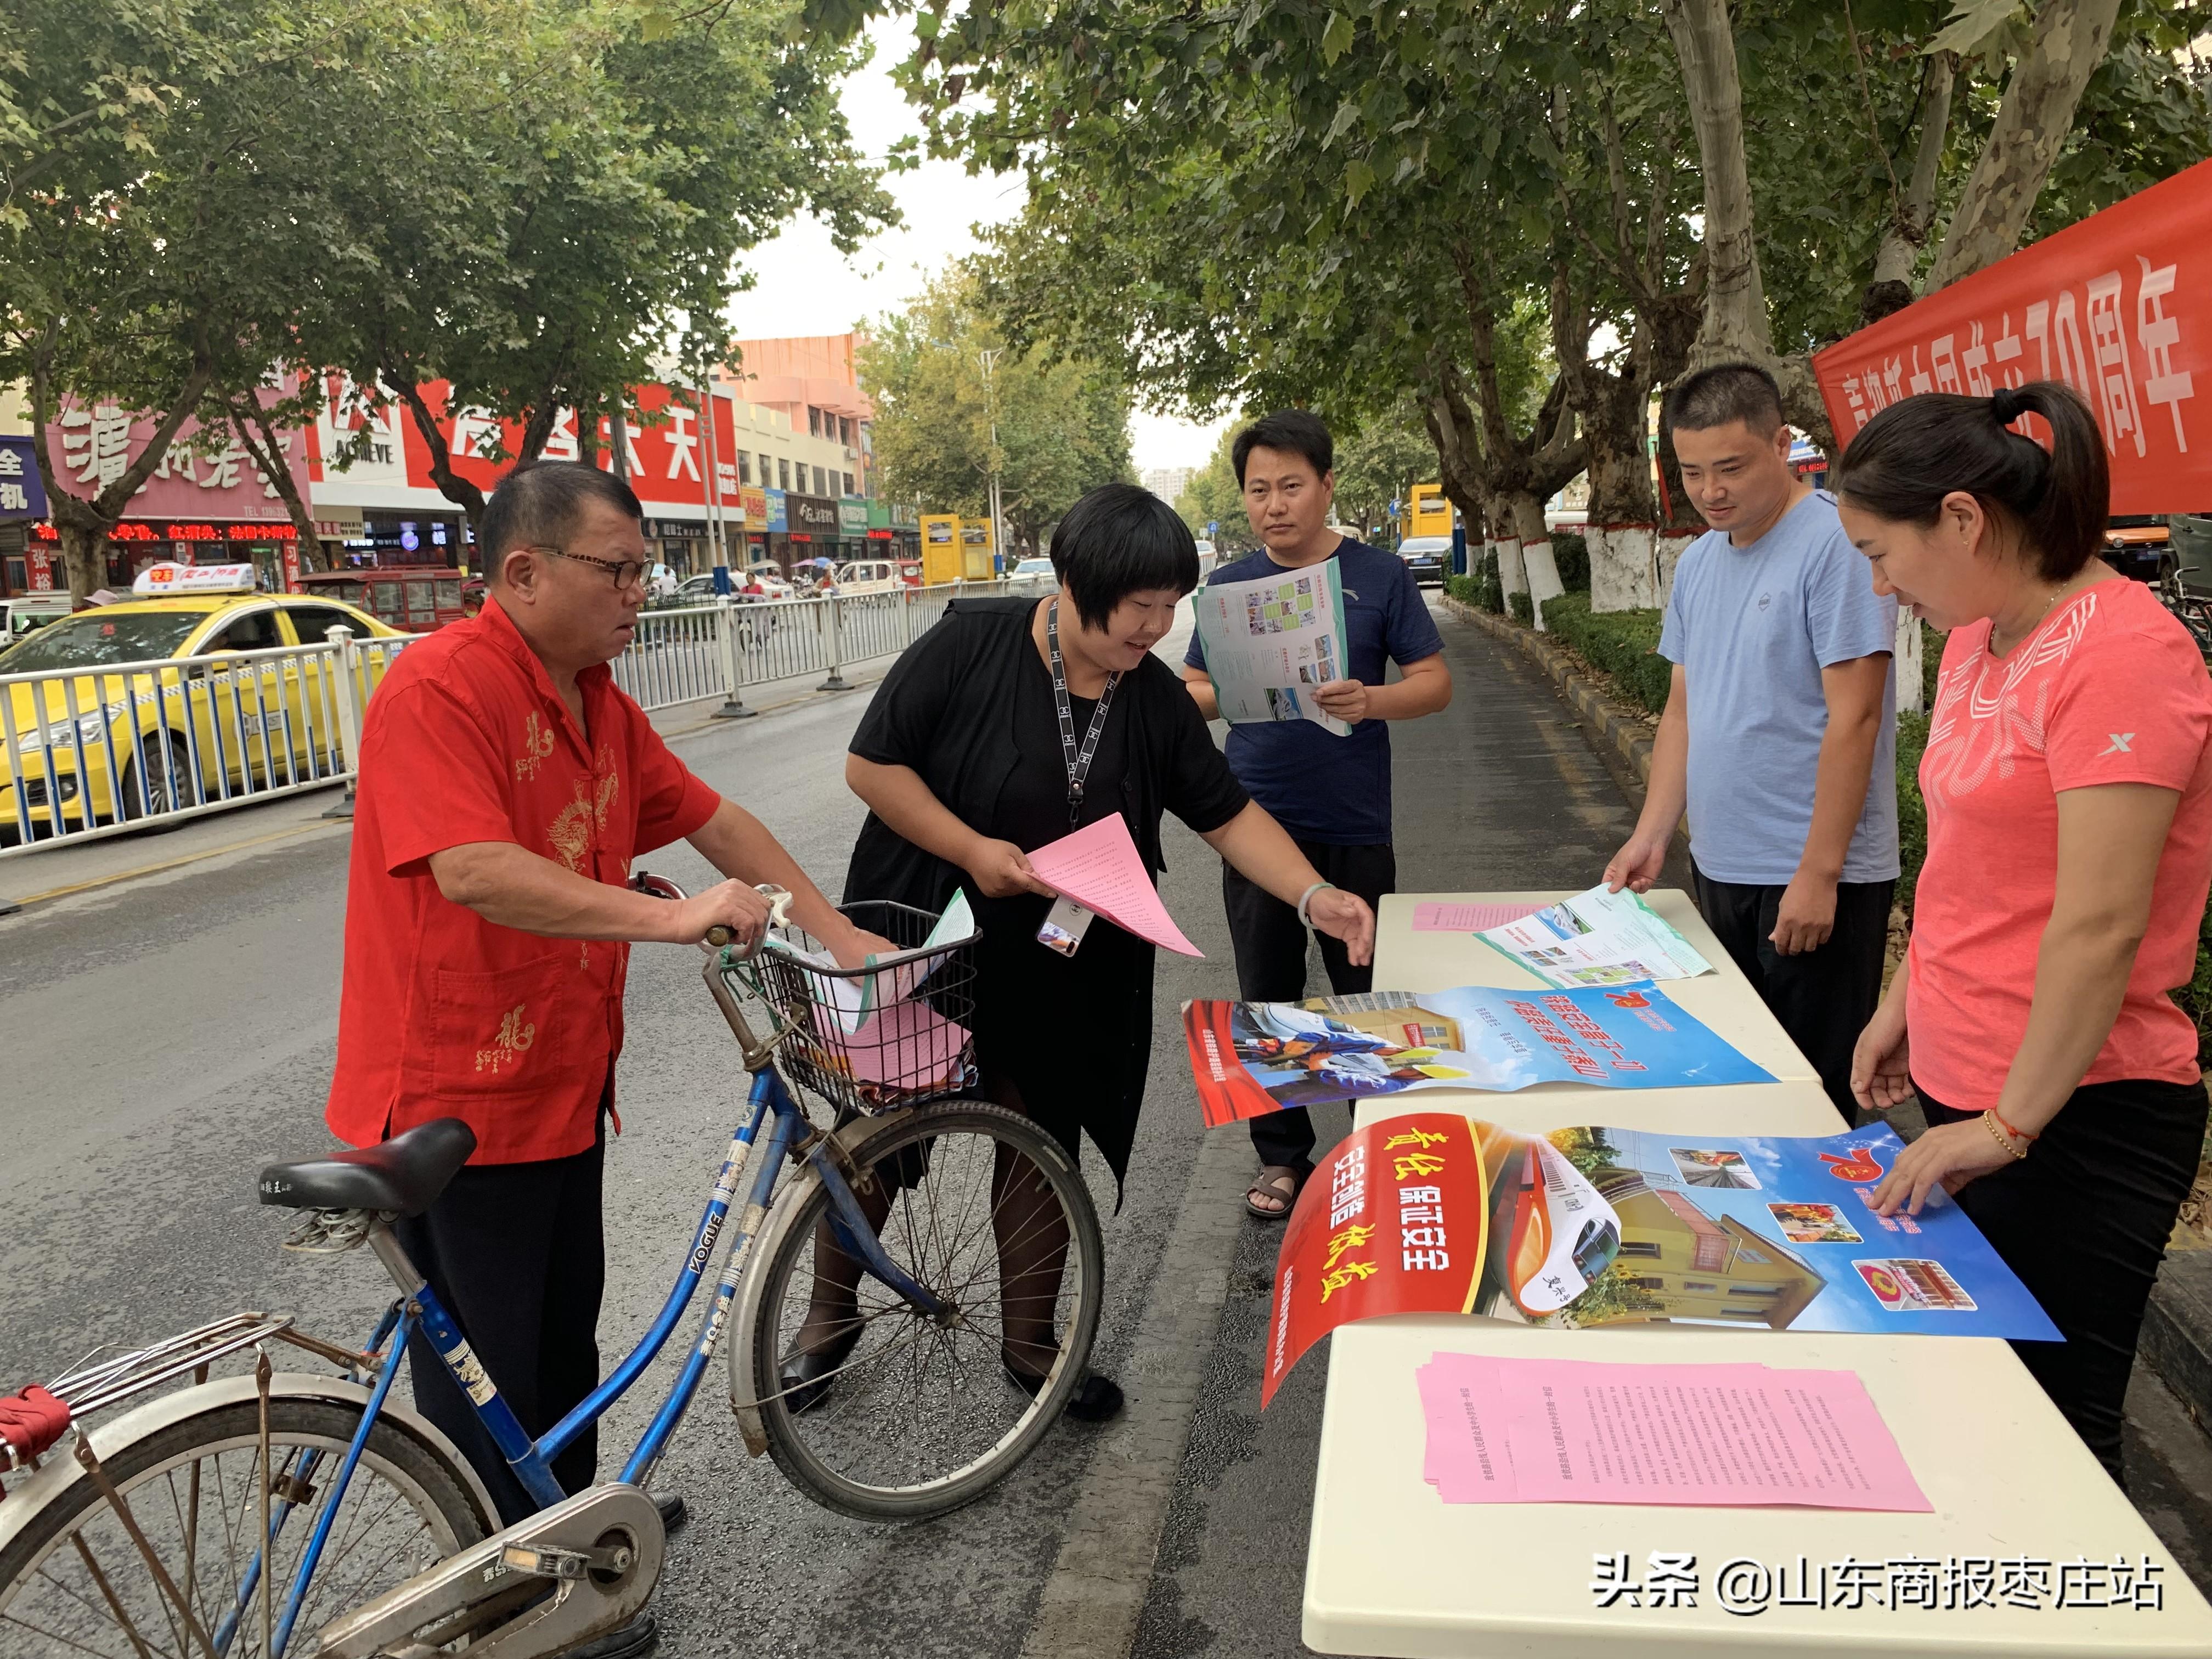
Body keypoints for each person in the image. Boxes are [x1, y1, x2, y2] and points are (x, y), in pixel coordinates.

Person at [324, 462, 883, 1659]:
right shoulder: (443, 687)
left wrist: (832, 933)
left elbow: (710, 819)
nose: (642, 591)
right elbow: (470, 866)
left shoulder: (599, 700)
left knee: (560, 1339)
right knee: (490, 1381)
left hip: (560, 1085)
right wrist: (677, 918)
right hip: (453, 1101)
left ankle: (569, 1537)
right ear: (523, 574)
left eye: (644, 569)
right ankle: (509, 1603)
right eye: (618, 569)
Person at [838, 482, 1376, 1417]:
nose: (1158, 629)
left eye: (1173, 608)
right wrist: (974, 851)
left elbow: (1226, 811)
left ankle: (1030, 1346)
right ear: (1079, 584)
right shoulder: (971, 645)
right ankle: (823, 1319)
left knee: (1043, 1133)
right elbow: (871, 765)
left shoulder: (1151, 694)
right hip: (935, 928)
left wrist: (1314, 893)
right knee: (881, 1134)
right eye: (1143, 608)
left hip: (1063, 953)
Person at [1839, 381, 2212, 1485]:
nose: (1879, 585)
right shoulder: (1980, 638)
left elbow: (2099, 926)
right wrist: (1902, 1002)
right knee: (1974, 1411)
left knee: (2053, 1447)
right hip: (1973, 1090)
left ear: (1961, 519)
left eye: (1881, 552)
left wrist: (2005, 1131)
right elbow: (1961, 863)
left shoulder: (2124, 658)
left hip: (2075, 1117)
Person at [1605, 363, 1898, 1125]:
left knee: (1810, 1102)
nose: (1711, 491)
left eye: (1731, 468)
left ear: (1782, 443)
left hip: (1812, 876)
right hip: (1722, 867)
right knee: (1736, 1087)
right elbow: (1683, 712)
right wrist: (1653, 834)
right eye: (1693, 472)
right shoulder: (1701, 560)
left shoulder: (1833, 544)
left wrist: (1820, 873)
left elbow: (1856, 717)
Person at [1180, 410, 1452, 1218]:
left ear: (1327, 486)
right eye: (1259, 490)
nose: (1275, 505)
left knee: (1363, 992)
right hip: (1255, 823)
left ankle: (1372, 1150)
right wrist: (1231, 693)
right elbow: (1195, 690)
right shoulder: (1228, 589)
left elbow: (1434, 681)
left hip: (1355, 821)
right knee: (1270, 998)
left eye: (1291, 486)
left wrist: (1373, 699)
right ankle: (1284, 1159)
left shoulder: (1379, 577)